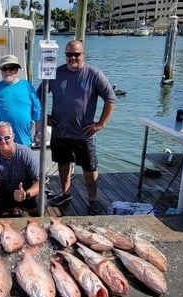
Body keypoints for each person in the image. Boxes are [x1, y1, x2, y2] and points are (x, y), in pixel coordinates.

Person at [46, 40, 116, 215]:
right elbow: (38, 95)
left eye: (76, 54)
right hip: (60, 131)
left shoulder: (94, 74)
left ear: (83, 54)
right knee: (63, 163)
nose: (73, 58)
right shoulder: (55, 73)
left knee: (90, 168)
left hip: (84, 134)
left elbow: (110, 99)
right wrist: (42, 116)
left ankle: (92, 199)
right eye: (69, 54)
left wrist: (101, 123)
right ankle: (65, 193)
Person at [0, 122, 40, 216]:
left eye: (6, 137)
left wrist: (26, 194)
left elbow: (40, 181)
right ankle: (11, 211)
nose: (2, 141)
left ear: (13, 137)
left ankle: (19, 211)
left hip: (24, 193)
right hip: (3, 195)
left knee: (41, 203)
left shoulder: (26, 154)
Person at [0, 55, 42, 148]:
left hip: (24, 141)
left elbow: (37, 112)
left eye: (11, 68)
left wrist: (38, 132)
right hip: (2, 143)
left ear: (16, 70)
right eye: (4, 68)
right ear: (0, 70)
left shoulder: (27, 86)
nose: (7, 72)